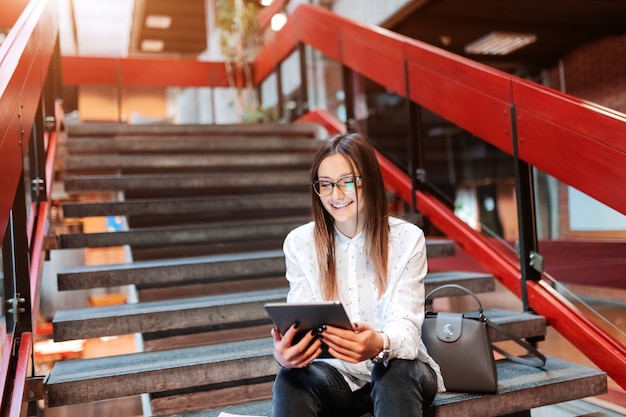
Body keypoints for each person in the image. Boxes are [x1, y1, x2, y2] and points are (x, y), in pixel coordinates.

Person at [270, 132, 445, 417]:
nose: (336, 195)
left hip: (401, 372)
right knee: (290, 378)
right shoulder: (299, 243)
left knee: (394, 370)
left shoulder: (406, 239)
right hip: (336, 378)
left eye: (347, 182)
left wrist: (379, 344)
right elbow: (304, 326)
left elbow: (405, 328)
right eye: (325, 185)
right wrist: (288, 354)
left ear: (370, 181)